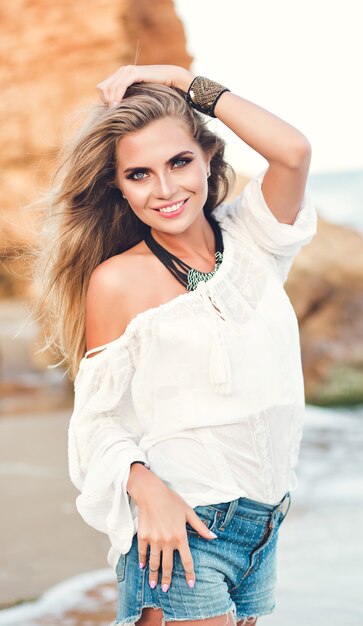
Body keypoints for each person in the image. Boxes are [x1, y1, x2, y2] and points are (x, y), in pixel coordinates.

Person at [33, 65, 317, 626]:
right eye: (139, 174)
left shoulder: (255, 239)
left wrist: (181, 81)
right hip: (182, 526)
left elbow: (293, 151)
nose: (165, 190)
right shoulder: (117, 281)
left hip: (264, 524)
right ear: (119, 186)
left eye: (179, 162)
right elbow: (96, 422)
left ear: (209, 157)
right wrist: (146, 489)